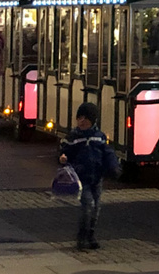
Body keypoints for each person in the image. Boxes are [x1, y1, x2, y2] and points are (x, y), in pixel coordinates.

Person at [59, 103, 120, 250]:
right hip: (81, 178)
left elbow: (108, 154)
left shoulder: (99, 137)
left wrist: (114, 167)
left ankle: (91, 235)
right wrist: (63, 158)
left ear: (93, 120)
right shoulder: (73, 137)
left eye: (85, 118)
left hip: (97, 178)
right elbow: (65, 151)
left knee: (96, 208)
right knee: (88, 205)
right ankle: (82, 237)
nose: (82, 121)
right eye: (79, 118)